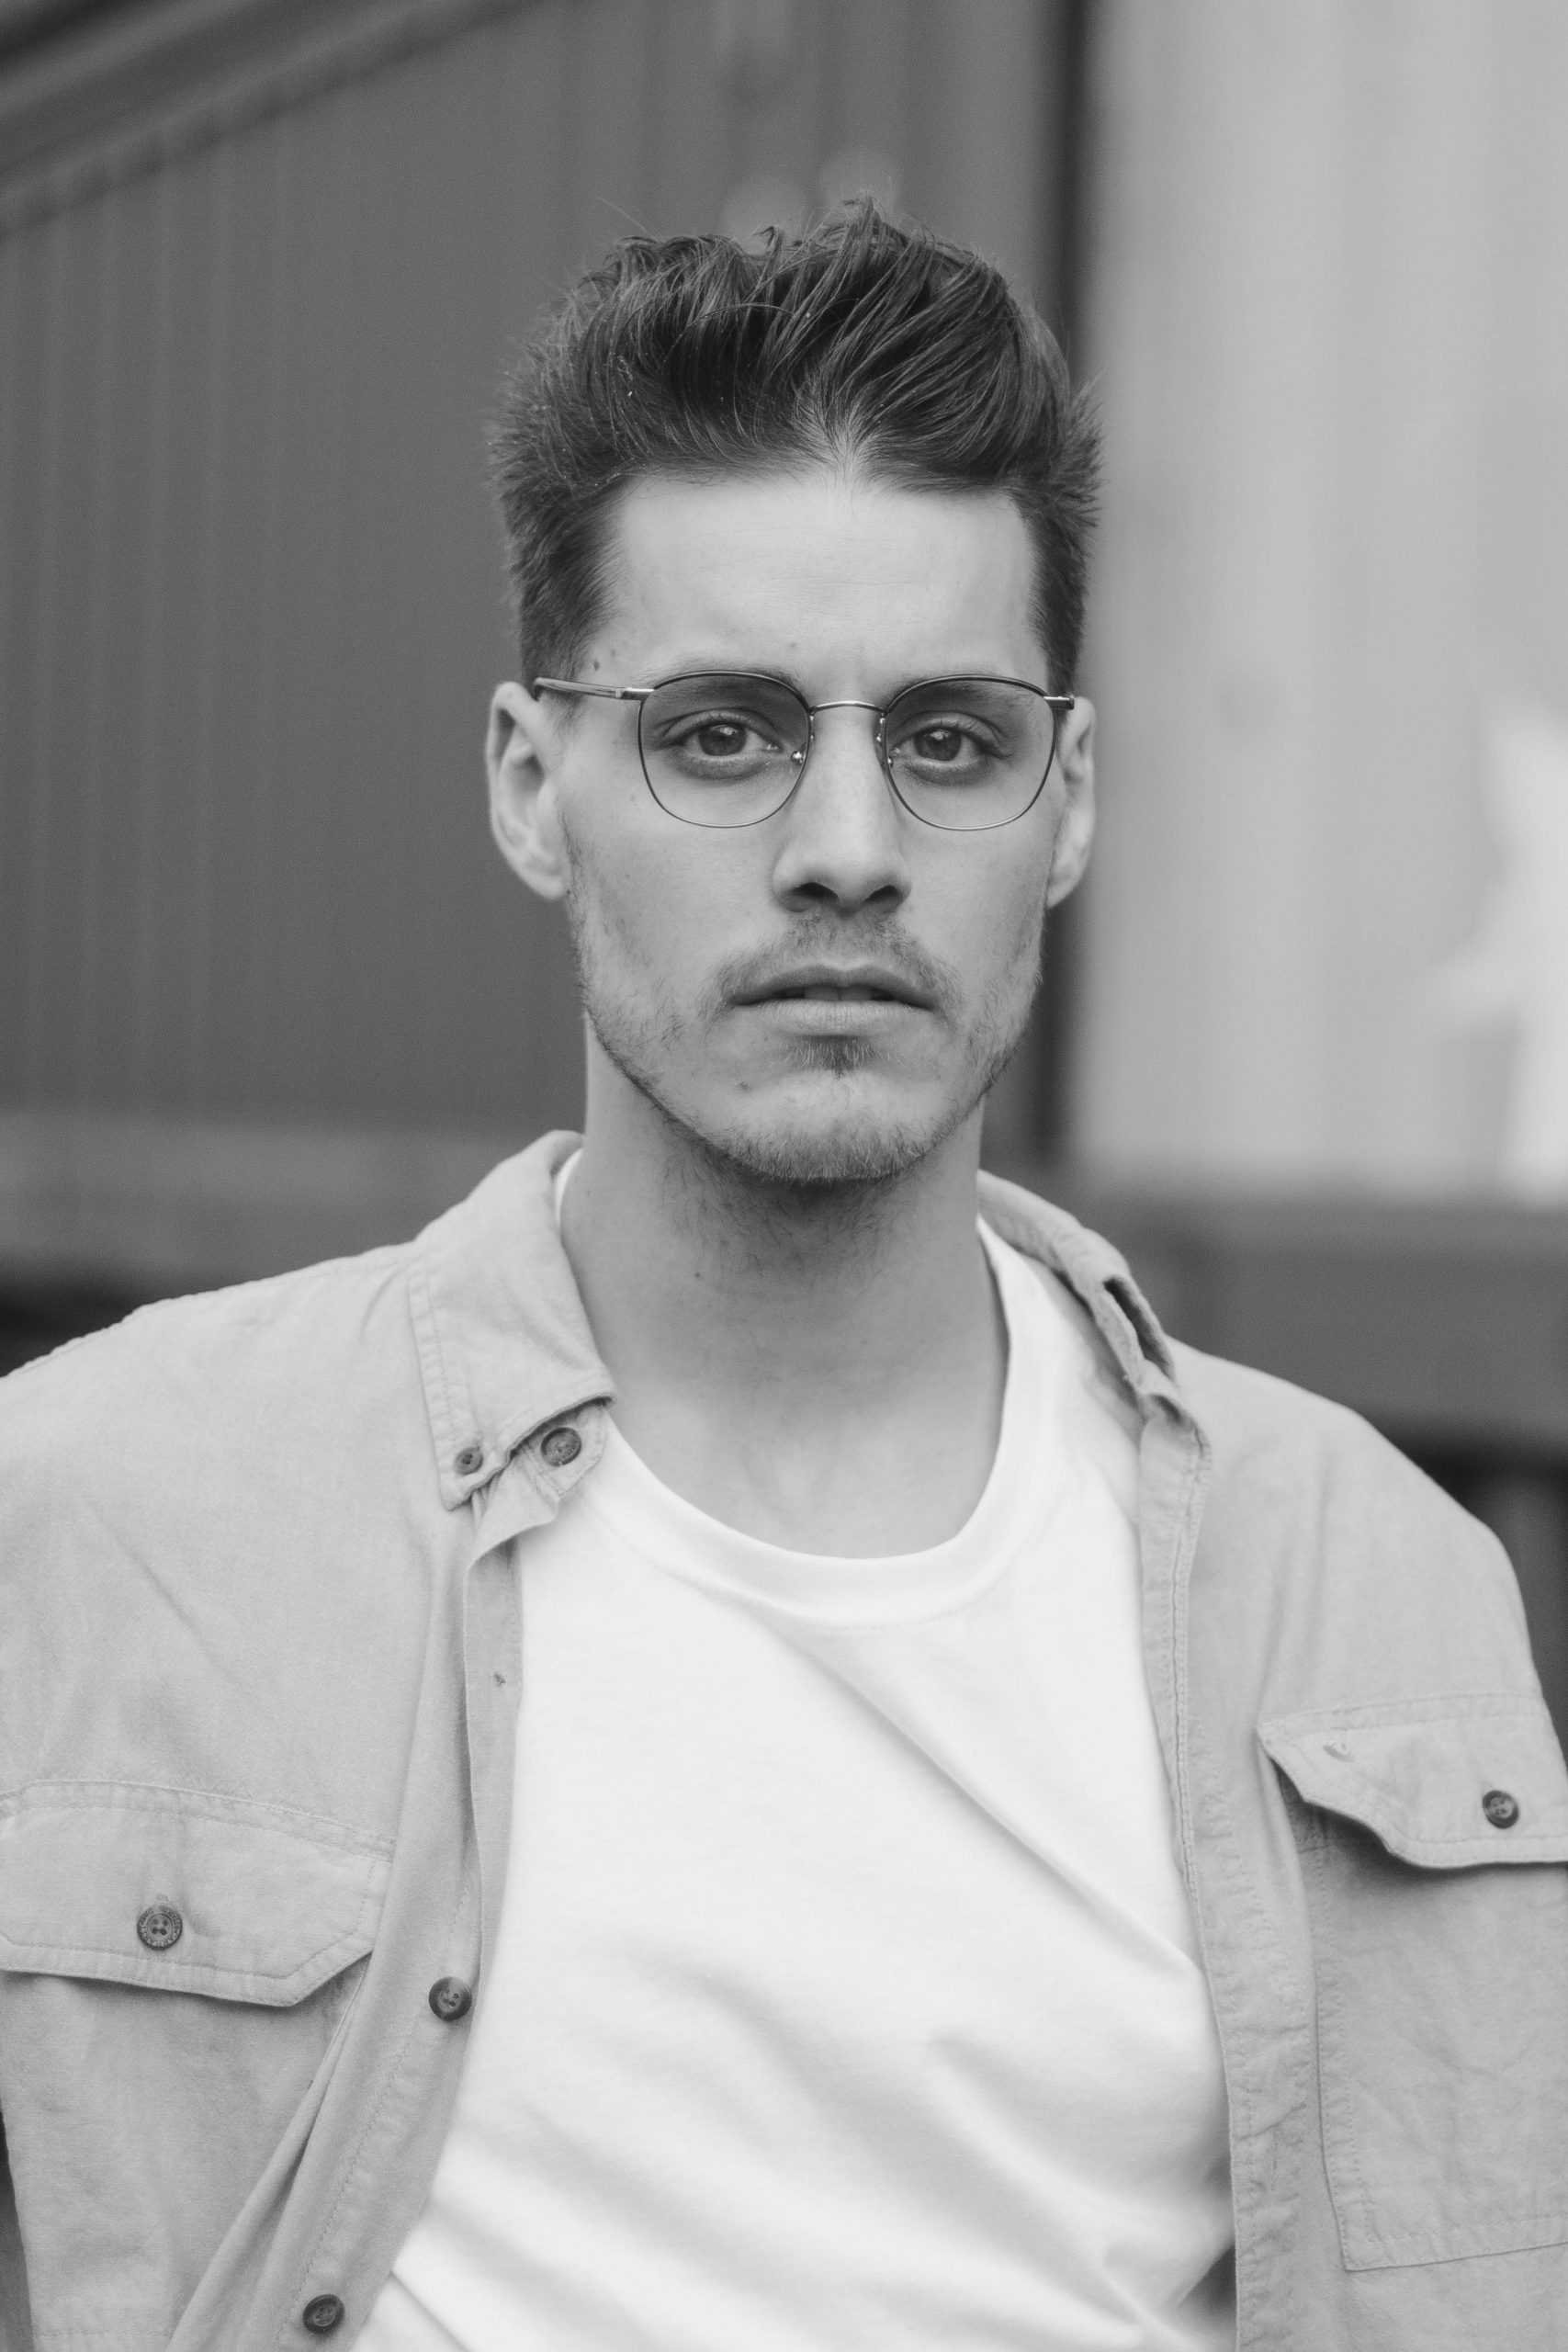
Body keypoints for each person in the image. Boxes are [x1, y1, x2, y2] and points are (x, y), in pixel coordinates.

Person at [1, 204, 1565, 2352]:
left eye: (948, 738)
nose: (845, 847)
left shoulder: (1375, 1594)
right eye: (721, 734)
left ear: (1066, 802)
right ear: (528, 783)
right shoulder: (98, 1515)